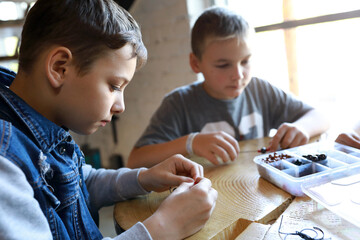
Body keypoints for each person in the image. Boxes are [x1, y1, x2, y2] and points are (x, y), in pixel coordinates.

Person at [0, 1, 218, 239]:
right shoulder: (6, 165)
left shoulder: (40, 121)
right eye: (114, 86)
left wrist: (144, 178)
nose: (120, 106)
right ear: (60, 68)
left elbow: (80, 181)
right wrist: (165, 227)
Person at [127, 6, 329, 168]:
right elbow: (135, 160)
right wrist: (190, 143)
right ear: (196, 63)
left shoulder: (261, 90)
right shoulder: (179, 103)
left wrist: (301, 127)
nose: (238, 74)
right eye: (223, 65)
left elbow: (320, 117)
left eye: (246, 61)